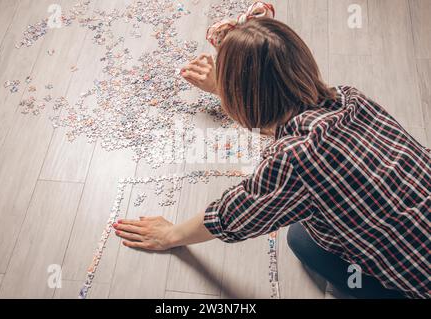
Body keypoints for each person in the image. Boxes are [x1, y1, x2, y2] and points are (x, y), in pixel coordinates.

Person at [113, 2, 430, 299]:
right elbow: (284, 96)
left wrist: (171, 235)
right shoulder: (349, 97)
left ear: (241, 96)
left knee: (301, 239)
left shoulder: (290, 160)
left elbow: (232, 217)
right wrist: (234, 76)